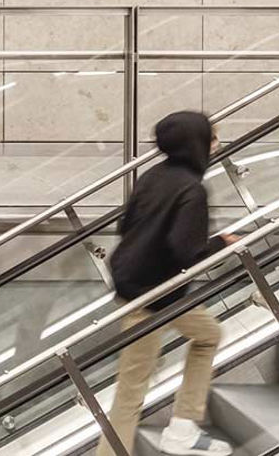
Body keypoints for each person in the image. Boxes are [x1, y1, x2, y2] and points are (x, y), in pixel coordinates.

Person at [97, 111, 237, 456]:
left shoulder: (153, 176)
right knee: (131, 390)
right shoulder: (192, 189)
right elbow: (187, 250)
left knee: (209, 335)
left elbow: (125, 225)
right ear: (197, 144)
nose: (216, 146)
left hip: (145, 287)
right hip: (152, 297)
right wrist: (222, 243)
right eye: (212, 139)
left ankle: (183, 428)